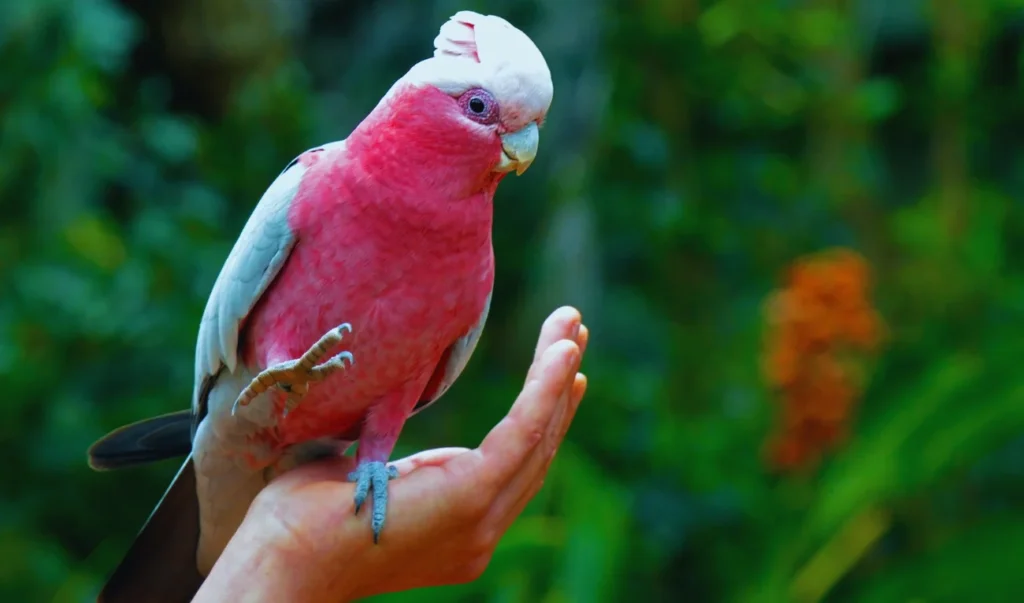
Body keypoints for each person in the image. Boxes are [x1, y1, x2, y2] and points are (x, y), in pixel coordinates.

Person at [192, 307, 590, 602]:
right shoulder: (307, 196)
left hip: (319, 452)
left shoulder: (475, 272)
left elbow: (408, 382)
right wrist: (287, 558)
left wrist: (290, 553)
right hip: (236, 403)